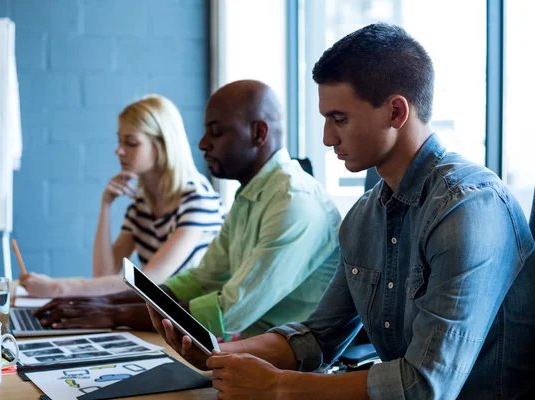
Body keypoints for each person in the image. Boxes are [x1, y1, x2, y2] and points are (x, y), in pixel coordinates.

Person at [150, 24, 535, 399]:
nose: (327, 138)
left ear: (395, 113)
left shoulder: (469, 208)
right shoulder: (365, 215)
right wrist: (218, 353)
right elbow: (319, 336)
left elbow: (424, 386)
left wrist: (279, 387)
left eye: (339, 119)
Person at [34, 80, 342, 339]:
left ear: (258, 134)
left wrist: (113, 314)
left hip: (289, 367)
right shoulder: (250, 195)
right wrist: (103, 303)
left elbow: (226, 313)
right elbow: (200, 280)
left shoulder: (292, 202)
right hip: (245, 348)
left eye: (216, 132)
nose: (203, 144)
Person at [19, 95, 224, 297]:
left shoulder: (198, 200)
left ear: (162, 145)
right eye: (120, 141)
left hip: (195, 322)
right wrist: (105, 206)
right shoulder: (141, 204)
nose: (119, 151)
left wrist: (58, 288)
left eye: (131, 143)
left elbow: (151, 281)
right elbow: (104, 274)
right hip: (161, 318)